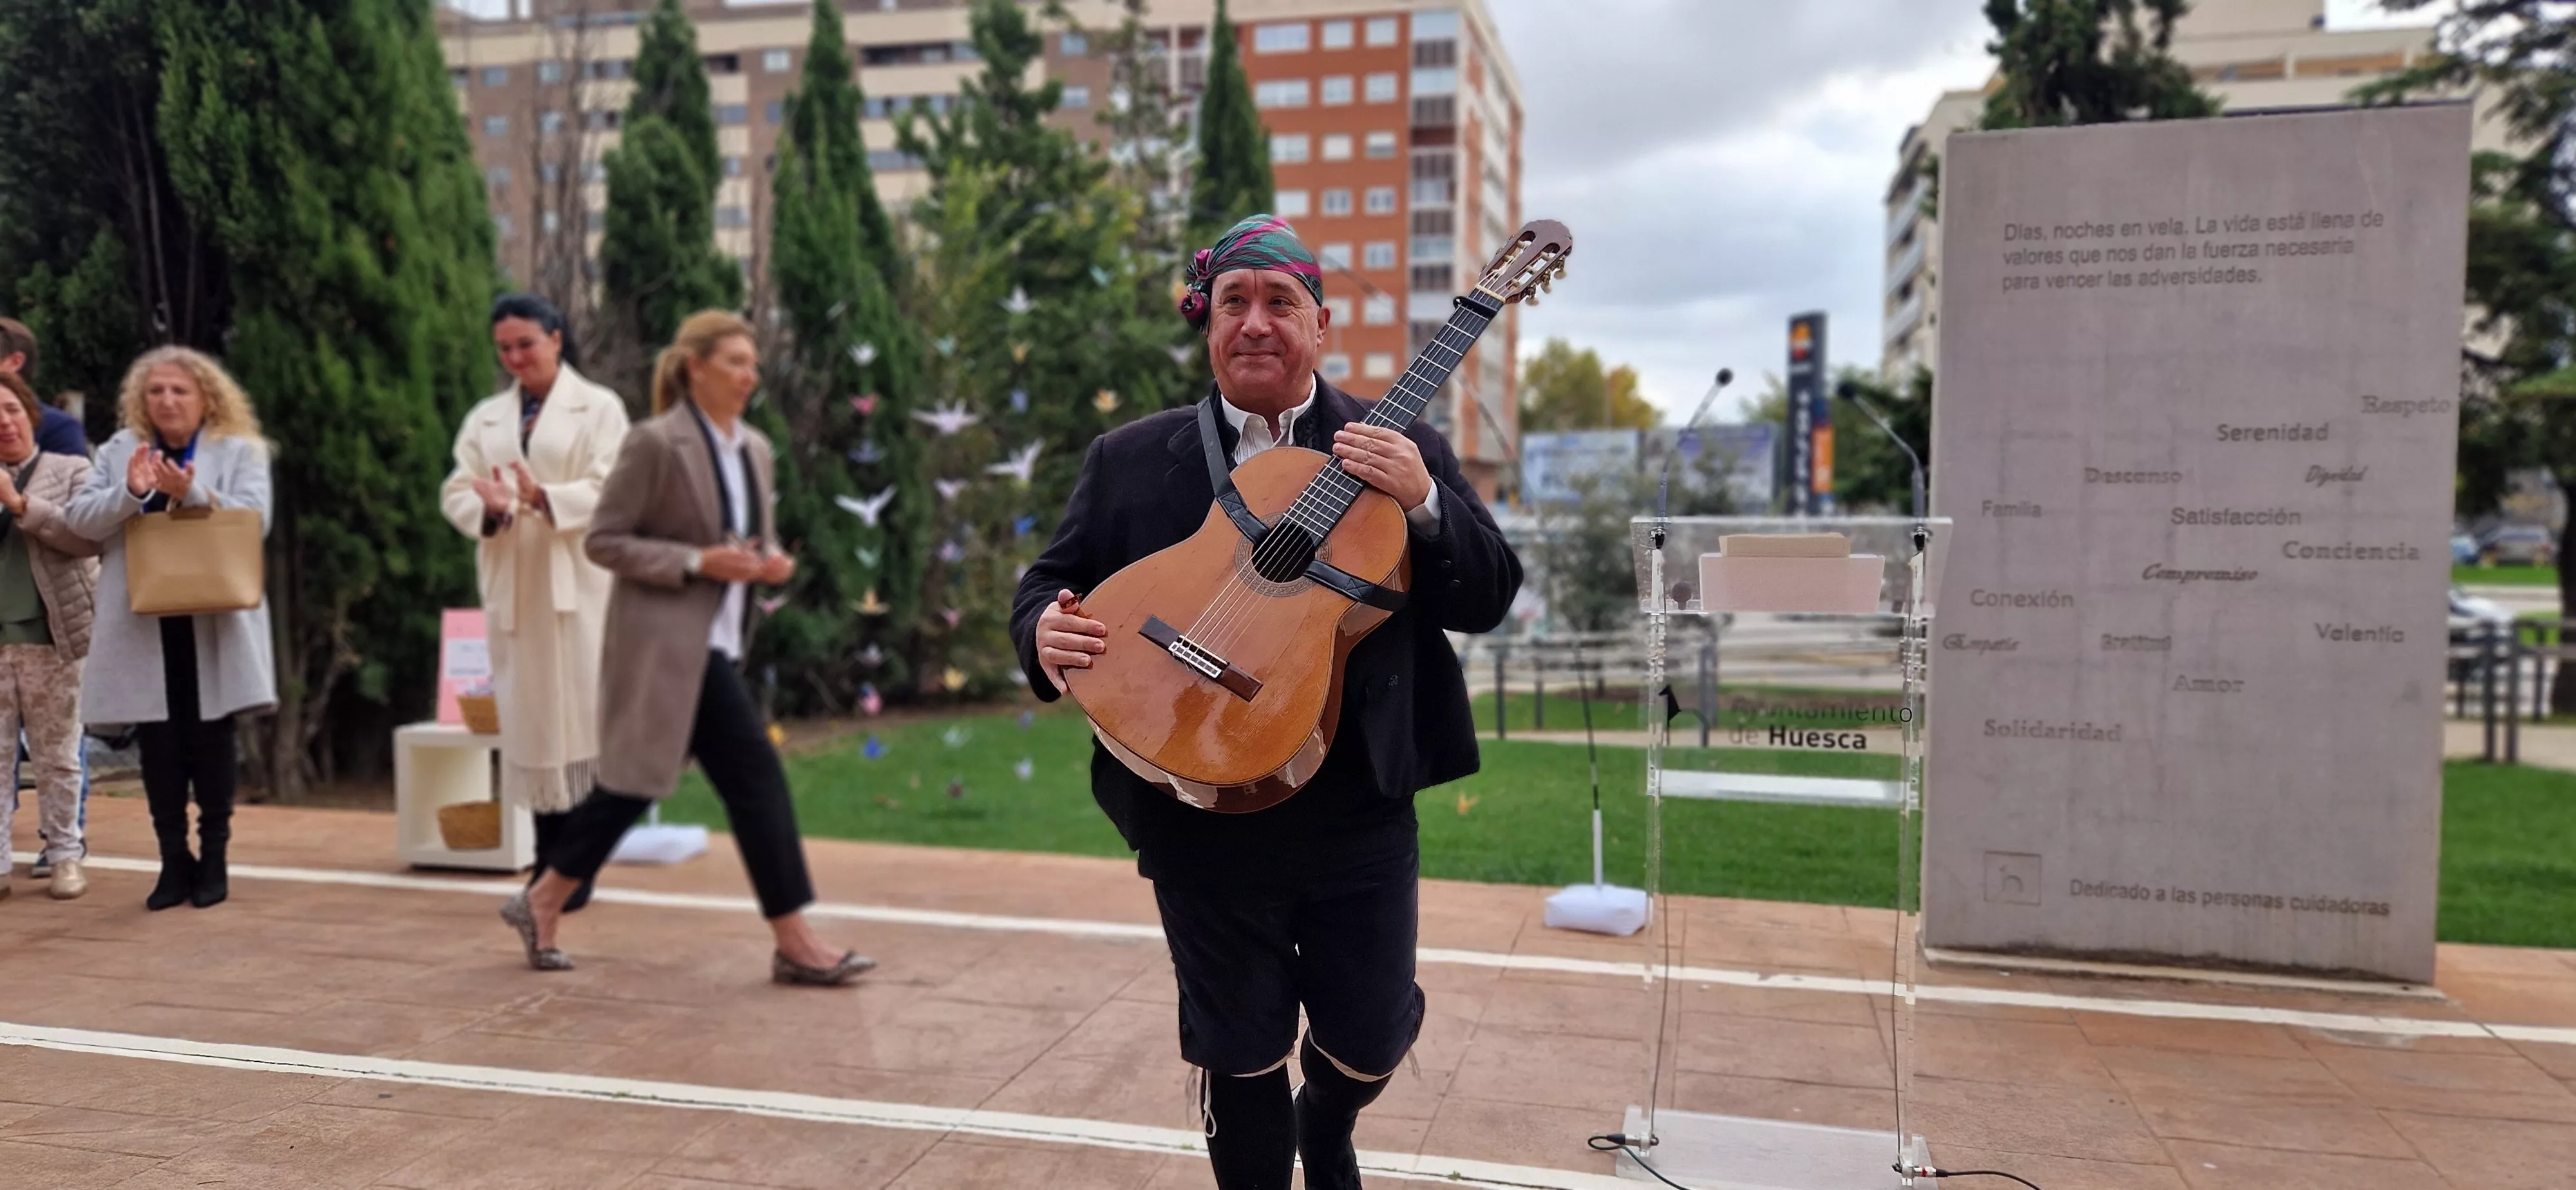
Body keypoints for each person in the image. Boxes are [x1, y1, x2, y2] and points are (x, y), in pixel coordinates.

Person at [1010, 215, 1522, 1190]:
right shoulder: (1129, 457)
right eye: (1235, 301)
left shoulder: (1402, 442)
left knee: (1369, 1038)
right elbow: (1051, 581)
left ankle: (1325, 1124)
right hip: (1192, 798)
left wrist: (1424, 503)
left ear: (1320, 324)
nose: (1256, 323)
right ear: (1207, 322)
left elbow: (1489, 594)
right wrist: (1040, 629)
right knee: (1239, 1052)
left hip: (1357, 802)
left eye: (1280, 302)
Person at [499, 310, 870, 986]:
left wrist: (767, 563)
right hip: (666, 647)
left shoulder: (753, 448)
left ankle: (542, 898)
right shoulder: (654, 443)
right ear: (694, 366)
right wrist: (698, 562)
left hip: (720, 640)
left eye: (753, 365)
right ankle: (795, 942)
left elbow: (746, 538)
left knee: (631, 784)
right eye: (734, 362)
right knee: (755, 779)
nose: (748, 376)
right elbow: (604, 540)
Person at [64, 347, 274, 911]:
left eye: (180, 390)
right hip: (144, 619)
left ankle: (215, 859)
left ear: (206, 396)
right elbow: (78, 522)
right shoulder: (117, 450)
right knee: (158, 740)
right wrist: (131, 494)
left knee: (211, 738)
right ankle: (172, 862)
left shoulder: (241, 450)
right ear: (141, 398)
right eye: (156, 390)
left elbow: (257, 519)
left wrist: (193, 493)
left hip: (214, 616)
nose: (167, 400)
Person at [441, 294, 628, 911]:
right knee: (532, 724)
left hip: (577, 588)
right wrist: (489, 508)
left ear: (556, 337)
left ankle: (577, 868)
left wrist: (544, 496)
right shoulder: (486, 418)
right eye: (504, 348)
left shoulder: (599, 407)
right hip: (515, 586)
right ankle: (548, 866)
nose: (515, 356)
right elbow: (456, 490)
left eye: (526, 343)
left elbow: (613, 486)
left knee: (581, 720)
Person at [0, 373, 101, 902]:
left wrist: (19, 505)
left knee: (58, 758)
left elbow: (85, 536)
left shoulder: (70, 469)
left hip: (54, 639)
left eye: (11, 408)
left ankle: (65, 855)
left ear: (30, 413)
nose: (3, 421)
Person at [0, 317, 91, 457]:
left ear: (15, 362)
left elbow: (71, 477)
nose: (6, 422)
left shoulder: (58, 429)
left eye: (13, 410)